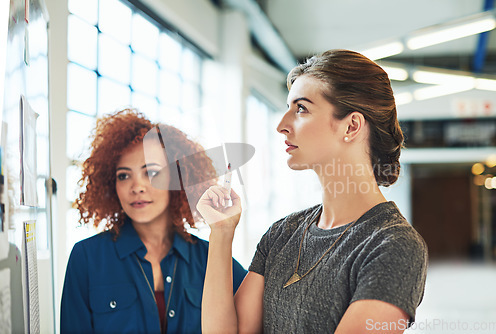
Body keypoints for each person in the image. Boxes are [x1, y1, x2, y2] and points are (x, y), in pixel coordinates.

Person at [197, 49, 428, 333]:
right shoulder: (282, 234)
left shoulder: (392, 246)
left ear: (351, 125)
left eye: (301, 108)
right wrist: (221, 233)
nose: (282, 126)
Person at [60, 109, 247, 334]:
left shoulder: (211, 257)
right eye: (123, 175)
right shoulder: (87, 258)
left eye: (151, 172)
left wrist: (223, 231)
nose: (137, 186)